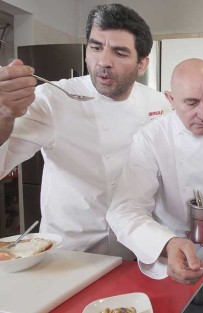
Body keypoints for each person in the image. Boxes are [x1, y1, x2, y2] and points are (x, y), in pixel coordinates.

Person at [0, 3, 171, 259]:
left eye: (120, 52)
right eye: (95, 47)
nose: (103, 61)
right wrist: (4, 115)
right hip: (70, 254)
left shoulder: (158, 103)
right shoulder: (51, 98)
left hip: (135, 252)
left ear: (142, 63)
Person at [107, 58, 203, 283]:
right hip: (167, 261)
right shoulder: (152, 137)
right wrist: (167, 244)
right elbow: (124, 209)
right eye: (191, 103)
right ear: (171, 99)